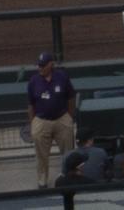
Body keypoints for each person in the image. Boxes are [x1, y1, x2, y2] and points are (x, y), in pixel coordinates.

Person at [25, 53, 77, 189]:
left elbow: (71, 98)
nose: (39, 68)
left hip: (61, 119)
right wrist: (33, 123)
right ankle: (42, 181)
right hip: (42, 120)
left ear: (51, 64)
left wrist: (70, 117)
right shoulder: (33, 81)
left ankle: (68, 177)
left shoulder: (62, 77)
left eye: (42, 65)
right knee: (41, 156)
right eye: (38, 65)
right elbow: (30, 105)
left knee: (68, 153)